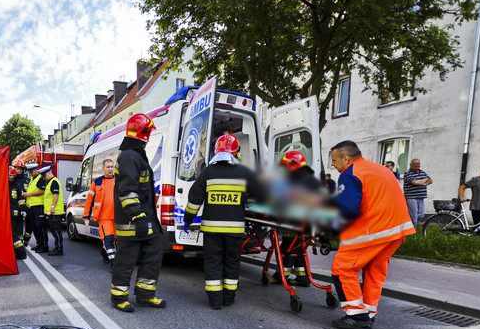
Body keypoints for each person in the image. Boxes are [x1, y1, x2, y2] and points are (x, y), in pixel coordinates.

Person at [329, 140, 416, 329]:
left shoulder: (350, 173)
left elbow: (348, 208)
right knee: (374, 271)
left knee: (342, 269)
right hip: (397, 229)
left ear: (346, 158)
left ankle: (356, 314)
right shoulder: (380, 169)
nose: (333, 165)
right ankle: (368, 314)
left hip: (373, 230)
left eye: (334, 160)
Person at [184, 133, 266, 309]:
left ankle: (215, 301)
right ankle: (229, 299)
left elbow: (194, 200)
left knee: (213, 263)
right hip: (235, 231)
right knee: (231, 263)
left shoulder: (207, 172)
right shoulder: (244, 173)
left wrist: (187, 219)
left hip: (212, 231)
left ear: (216, 151)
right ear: (236, 153)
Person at [111, 113, 165, 313]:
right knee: (126, 259)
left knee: (153, 253)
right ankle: (118, 297)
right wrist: (137, 215)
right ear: (143, 133)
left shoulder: (135, 153)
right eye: (148, 132)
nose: (150, 135)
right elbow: (127, 190)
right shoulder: (128, 156)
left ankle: (145, 294)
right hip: (133, 220)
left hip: (145, 218)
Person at [271, 150, 322, 287]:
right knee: (298, 249)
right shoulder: (311, 180)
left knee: (287, 250)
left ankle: (280, 276)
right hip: (310, 226)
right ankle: (303, 278)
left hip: (296, 225)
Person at [84, 155, 117, 269]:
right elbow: (89, 200)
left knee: (115, 241)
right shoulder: (97, 182)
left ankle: (105, 254)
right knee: (109, 239)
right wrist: (86, 217)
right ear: (103, 168)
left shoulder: (119, 180)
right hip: (104, 217)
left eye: (112, 167)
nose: (110, 169)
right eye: (108, 167)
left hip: (117, 217)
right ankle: (114, 265)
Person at [39, 165, 64, 256]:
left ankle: (59, 249)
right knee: (54, 230)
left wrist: (52, 207)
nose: (43, 178)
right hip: (52, 211)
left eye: (44, 176)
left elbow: (55, 195)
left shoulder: (54, 182)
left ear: (49, 173)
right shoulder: (50, 182)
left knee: (56, 231)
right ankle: (57, 248)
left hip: (55, 211)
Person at [23, 164, 48, 252]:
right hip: (32, 206)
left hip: (38, 206)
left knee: (39, 226)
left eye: (31, 172)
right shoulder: (32, 179)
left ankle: (44, 246)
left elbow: (42, 191)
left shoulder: (40, 179)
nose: (30, 174)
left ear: (35, 170)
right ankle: (39, 244)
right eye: (29, 172)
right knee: (34, 226)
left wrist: (29, 194)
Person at [403, 158, 432, 226]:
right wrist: (425, 179)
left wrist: (423, 183)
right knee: (414, 216)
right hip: (411, 197)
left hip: (421, 196)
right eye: (414, 164)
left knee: (421, 215)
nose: (416, 165)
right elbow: (415, 182)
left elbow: (430, 181)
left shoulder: (422, 172)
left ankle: (410, 226)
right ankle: (412, 232)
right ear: (410, 165)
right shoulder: (407, 174)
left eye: (418, 163)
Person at [8, 165, 27, 259]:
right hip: (6, 213)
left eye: (13, 176)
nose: (11, 178)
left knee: (13, 234)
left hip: (14, 213)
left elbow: (21, 199)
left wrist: (23, 209)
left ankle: (21, 252)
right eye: (10, 176)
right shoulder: (4, 184)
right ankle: (14, 251)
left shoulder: (17, 185)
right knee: (12, 234)